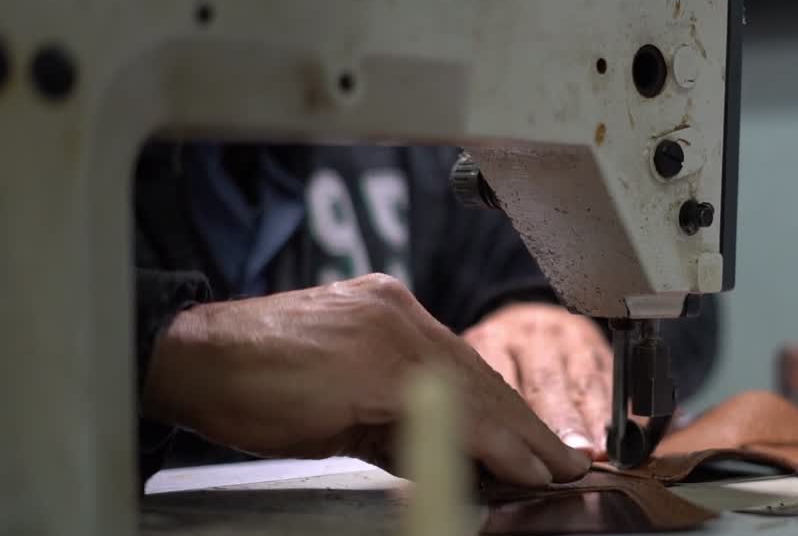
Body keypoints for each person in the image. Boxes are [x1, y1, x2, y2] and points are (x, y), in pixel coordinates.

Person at [133, 142, 719, 488]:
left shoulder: (402, 147)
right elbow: (37, 361)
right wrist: (170, 352)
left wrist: (546, 312)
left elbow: (678, 279)